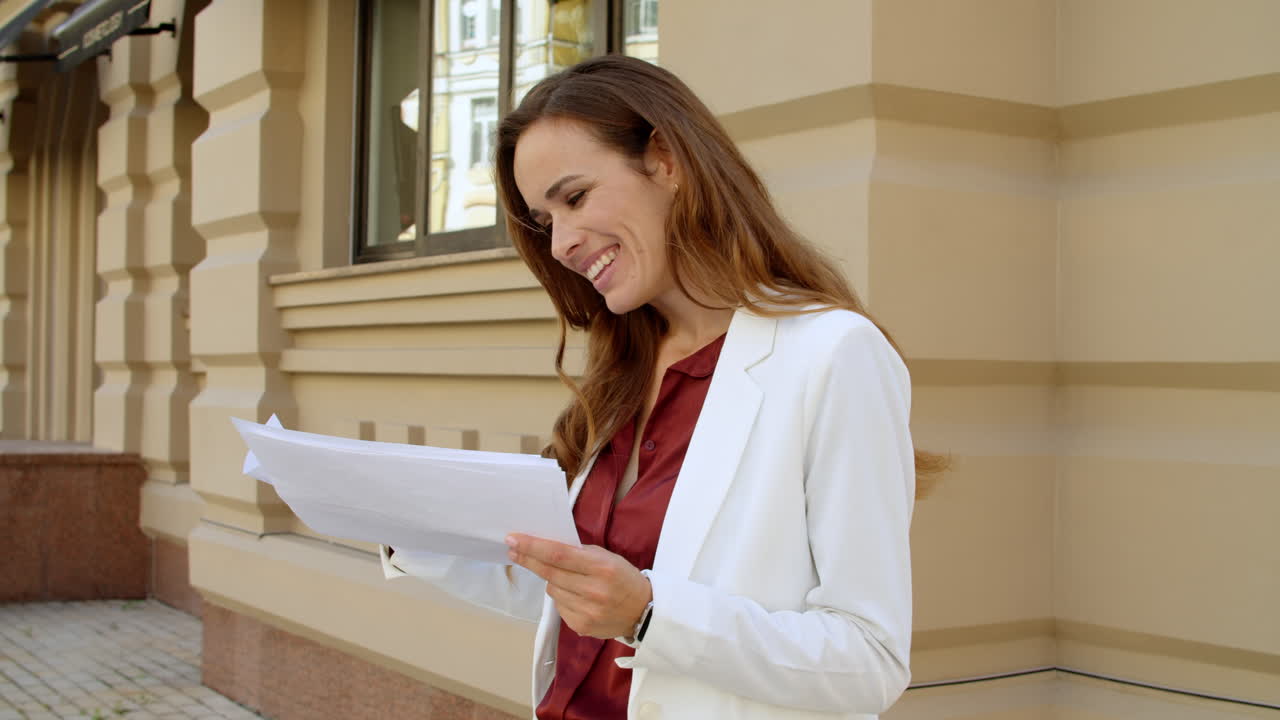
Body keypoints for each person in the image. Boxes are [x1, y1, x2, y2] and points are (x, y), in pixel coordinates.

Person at [382, 54, 940, 720]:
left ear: (667, 160)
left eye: (575, 197)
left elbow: (867, 661)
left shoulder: (833, 355)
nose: (558, 244)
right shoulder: (623, 372)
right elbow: (578, 594)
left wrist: (650, 616)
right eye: (544, 219)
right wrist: (396, 522)